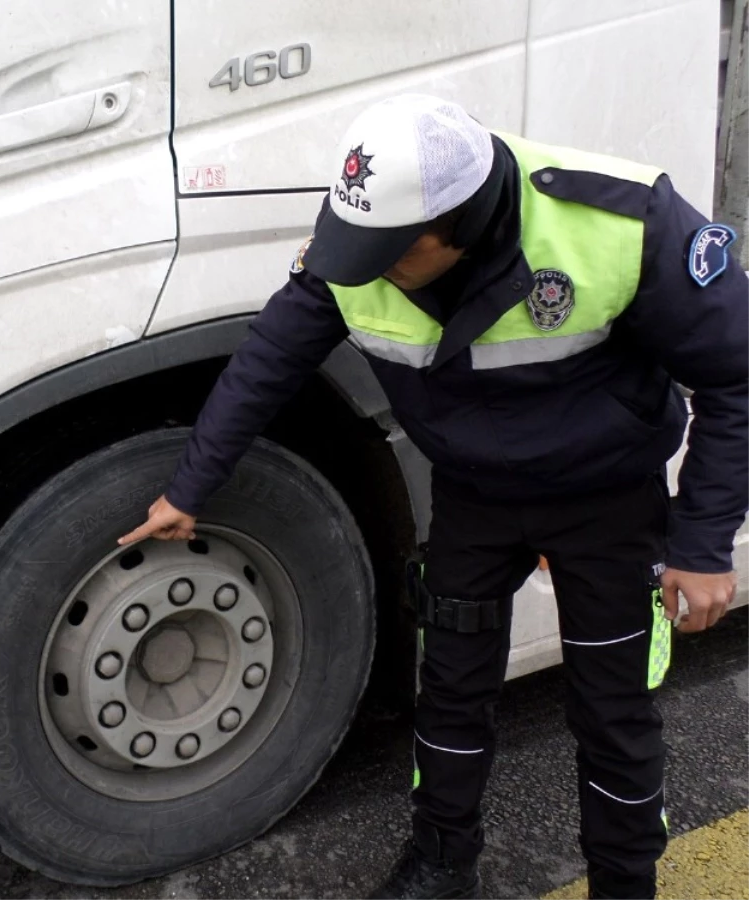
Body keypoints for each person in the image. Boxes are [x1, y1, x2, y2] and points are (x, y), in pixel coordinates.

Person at [117, 94, 749, 900]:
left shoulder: (618, 219)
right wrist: (189, 487)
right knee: (449, 688)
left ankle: (625, 882)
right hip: (473, 497)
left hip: (605, 498)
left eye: (390, 253)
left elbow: (738, 377)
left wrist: (700, 547)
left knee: (612, 712)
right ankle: (442, 862)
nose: (363, 269)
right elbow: (270, 357)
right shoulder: (365, 236)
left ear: (460, 221)